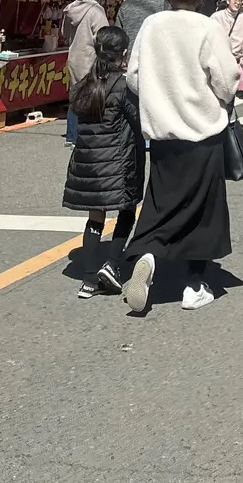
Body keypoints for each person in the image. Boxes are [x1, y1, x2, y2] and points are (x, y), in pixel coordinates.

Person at [111, 0, 239, 313]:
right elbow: (227, 80)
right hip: (203, 132)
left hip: (163, 135)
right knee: (203, 212)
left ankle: (148, 258)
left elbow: (134, 77)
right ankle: (194, 284)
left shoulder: (152, 25)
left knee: (161, 204)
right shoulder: (207, 26)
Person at [62, 25, 144, 298]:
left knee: (95, 218)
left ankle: (87, 278)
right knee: (127, 209)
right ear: (123, 54)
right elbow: (138, 121)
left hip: (89, 165)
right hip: (118, 163)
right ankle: (111, 264)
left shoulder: (85, 83)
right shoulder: (123, 85)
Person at [62, 0, 110, 145]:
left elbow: (64, 33)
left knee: (74, 95)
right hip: (90, 57)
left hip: (74, 57)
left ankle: (71, 135)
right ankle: (85, 134)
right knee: (91, 97)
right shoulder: (96, 11)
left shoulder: (70, 10)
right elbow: (103, 36)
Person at [212, 0, 243, 98]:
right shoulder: (216, 17)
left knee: (230, 96)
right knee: (217, 94)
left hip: (236, 62)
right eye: (235, 0)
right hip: (219, 62)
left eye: (240, 0)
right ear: (228, 1)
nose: (237, 3)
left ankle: (229, 113)